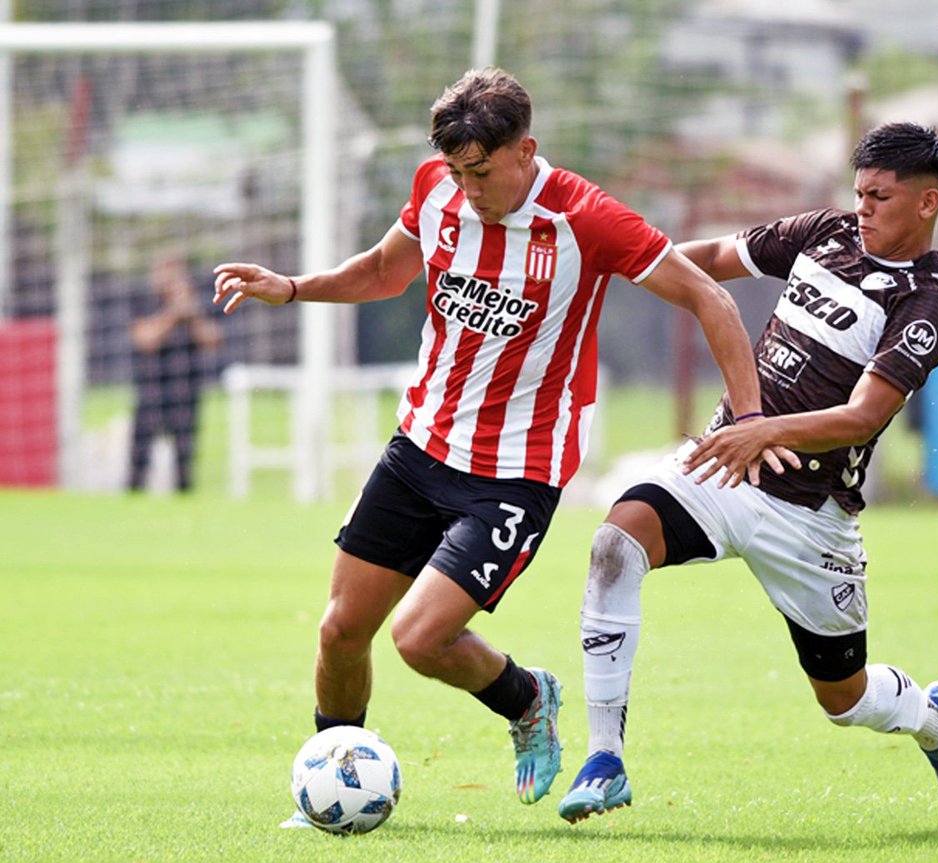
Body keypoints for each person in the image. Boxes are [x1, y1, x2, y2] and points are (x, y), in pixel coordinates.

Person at [211, 68, 763, 812]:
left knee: (419, 639)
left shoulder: (585, 219)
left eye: (482, 171)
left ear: (526, 150)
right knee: (342, 630)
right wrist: (294, 286)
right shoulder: (435, 189)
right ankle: (326, 786)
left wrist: (750, 418)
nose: (468, 188)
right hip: (420, 446)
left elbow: (708, 294)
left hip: (515, 473)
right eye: (456, 172)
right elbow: (382, 272)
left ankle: (528, 699)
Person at [558, 122, 938, 824]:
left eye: (880, 196)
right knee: (616, 542)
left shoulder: (928, 303)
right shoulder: (825, 233)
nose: (864, 207)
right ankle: (605, 759)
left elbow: (862, 416)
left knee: (843, 700)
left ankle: (931, 718)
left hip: (811, 515)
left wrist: (761, 432)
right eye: (859, 192)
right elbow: (712, 259)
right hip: (726, 468)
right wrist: (617, 266)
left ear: (927, 203)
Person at [128, 254, 222, 492]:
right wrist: (173, 313)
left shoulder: (197, 306)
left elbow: (213, 341)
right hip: (150, 391)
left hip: (185, 393)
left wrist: (191, 315)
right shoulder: (144, 302)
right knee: (139, 459)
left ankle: (183, 499)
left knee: (184, 462)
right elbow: (144, 339)